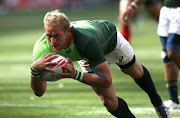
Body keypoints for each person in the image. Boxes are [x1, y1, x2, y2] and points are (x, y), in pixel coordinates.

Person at [30, 10, 171, 117]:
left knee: (134, 71)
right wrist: (34, 71)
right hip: (86, 55)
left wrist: (75, 75)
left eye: (56, 35)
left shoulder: (85, 41)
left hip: (110, 41)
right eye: (49, 35)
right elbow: (39, 92)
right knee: (108, 102)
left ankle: (158, 103)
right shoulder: (41, 51)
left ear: (67, 31)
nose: (52, 40)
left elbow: (106, 81)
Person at [157, 0, 180, 109]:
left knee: (172, 52)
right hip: (166, 10)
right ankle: (174, 100)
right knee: (166, 55)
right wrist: (133, 6)